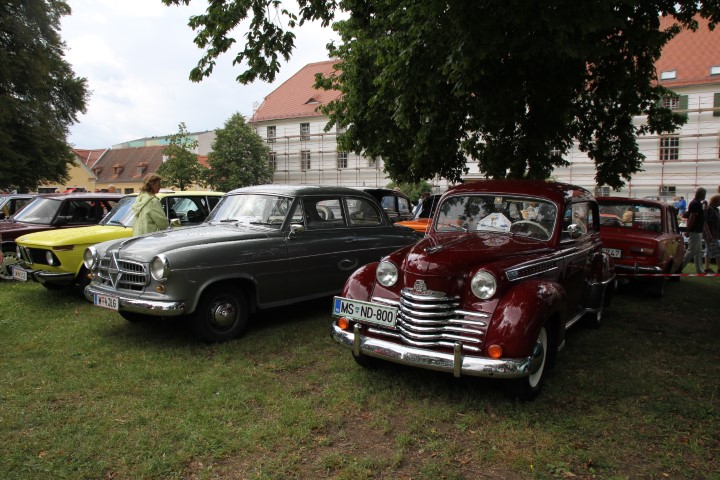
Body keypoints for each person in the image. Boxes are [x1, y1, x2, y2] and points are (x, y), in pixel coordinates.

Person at [681, 187, 707, 274]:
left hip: (697, 231)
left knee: (699, 251)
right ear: (702, 194)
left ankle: (699, 270)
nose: (705, 196)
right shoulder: (696, 204)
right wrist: (688, 230)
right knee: (691, 251)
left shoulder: (696, 203)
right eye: (704, 194)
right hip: (695, 231)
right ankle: (678, 269)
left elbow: (691, 217)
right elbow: (692, 218)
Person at [703, 194, 720, 273]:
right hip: (711, 234)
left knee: (710, 250)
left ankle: (707, 268)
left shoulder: (716, 209)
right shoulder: (709, 209)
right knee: (715, 250)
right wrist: (708, 234)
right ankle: (708, 268)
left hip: (715, 234)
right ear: (716, 201)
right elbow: (705, 222)